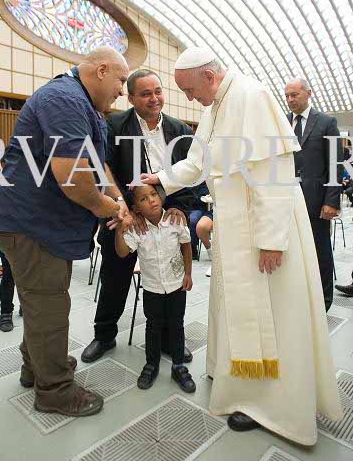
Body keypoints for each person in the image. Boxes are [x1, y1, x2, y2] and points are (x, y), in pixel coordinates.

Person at [140, 46, 342, 445]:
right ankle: (240, 383)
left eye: (188, 89)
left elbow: (274, 174)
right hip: (236, 228)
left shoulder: (251, 96)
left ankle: (274, 405)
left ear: (209, 77)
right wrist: (159, 179)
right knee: (236, 306)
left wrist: (271, 240)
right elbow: (197, 163)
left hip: (266, 230)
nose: (187, 98)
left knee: (274, 315)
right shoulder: (215, 107)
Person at [0, 46, 129, 417]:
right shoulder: (64, 100)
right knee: (50, 308)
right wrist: (110, 209)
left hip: (37, 224)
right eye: (121, 80)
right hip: (32, 224)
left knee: (39, 303)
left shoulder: (83, 105)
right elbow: (74, 179)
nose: (122, 90)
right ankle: (55, 391)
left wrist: (116, 194)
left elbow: (95, 163)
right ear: (101, 71)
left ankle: (35, 368)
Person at [81, 69, 196, 364]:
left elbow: (193, 174)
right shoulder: (115, 124)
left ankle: (171, 340)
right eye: (145, 94)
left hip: (166, 220)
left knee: (170, 282)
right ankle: (104, 335)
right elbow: (102, 167)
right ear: (131, 97)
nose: (154, 98)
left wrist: (178, 209)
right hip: (125, 216)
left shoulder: (180, 129)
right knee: (115, 279)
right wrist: (124, 208)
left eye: (158, 91)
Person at [115, 184, 196, 393]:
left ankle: (179, 366)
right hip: (152, 289)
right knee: (153, 326)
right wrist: (120, 229)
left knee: (177, 325)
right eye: (143, 199)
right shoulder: (137, 229)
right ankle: (151, 365)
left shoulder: (175, 220)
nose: (151, 200)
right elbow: (123, 253)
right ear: (136, 208)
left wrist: (188, 273)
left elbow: (186, 245)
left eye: (153, 194)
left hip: (177, 286)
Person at [285, 78, 343, 311]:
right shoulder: (282, 122)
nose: (290, 100)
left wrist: (331, 201)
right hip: (288, 200)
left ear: (308, 94)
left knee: (320, 251)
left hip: (317, 202)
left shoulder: (327, 122)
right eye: (287, 96)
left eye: (294, 95)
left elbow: (335, 163)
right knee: (294, 251)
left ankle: (324, 301)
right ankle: (300, 297)